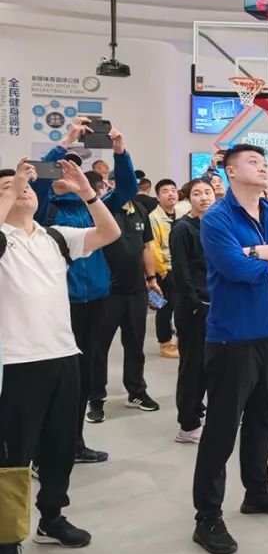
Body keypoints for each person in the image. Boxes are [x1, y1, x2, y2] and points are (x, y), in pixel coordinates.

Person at [0, 159, 121, 554]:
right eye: (7, 188)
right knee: (13, 457)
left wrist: (88, 192)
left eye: (24, 185)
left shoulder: (54, 236)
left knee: (59, 447)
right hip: (14, 364)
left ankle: (51, 518)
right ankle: (6, 538)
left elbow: (109, 232)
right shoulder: (3, 240)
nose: (21, 189)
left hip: (63, 356)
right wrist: (13, 184)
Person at [191, 144, 268, 554]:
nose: (262, 167)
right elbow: (234, 268)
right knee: (222, 429)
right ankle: (207, 517)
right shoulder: (218, 218)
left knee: (262, 419)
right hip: (233, 339)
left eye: (263, 161)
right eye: (253, 162)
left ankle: (257, 490)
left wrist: (259, 253)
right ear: (230, 171)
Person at [30, 116, 136, 464]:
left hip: (98, 301)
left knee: (83, 377)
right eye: (61, 168)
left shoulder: (94, 209)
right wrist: (65, 142)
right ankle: (43, 450)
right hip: (60, 306)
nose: (67, 172)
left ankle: (74, 443)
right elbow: (36, 179)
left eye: (74, 167)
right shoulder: (43, 209)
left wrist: (120, 150)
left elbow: (127, 190)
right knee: (54, 380)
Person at [91, 180, 161, 421]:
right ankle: (95, 398)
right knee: (99, 347)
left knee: (135, 344)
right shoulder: (102, 209)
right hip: (106, 292)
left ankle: (136, 391)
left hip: (136, 291)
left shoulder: (140, 209)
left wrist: (151, 278)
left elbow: (146, 247)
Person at [169, 179, 215, 444]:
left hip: (214, 304)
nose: (203, 197)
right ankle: (187, 424)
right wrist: (196, 304)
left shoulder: (214, 225)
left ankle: (197, 411)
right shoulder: (182, 228)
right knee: (192, 366)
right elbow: (181, 273)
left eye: (207, 192)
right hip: (194, 309)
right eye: (197, 193)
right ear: (188, 198)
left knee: (208, 365)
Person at [149, 179, 191, 359]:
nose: (171, 194)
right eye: (165, 191)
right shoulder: (154, 217)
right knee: (164, 307)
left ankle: (181, 340)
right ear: (158, 197)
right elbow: (153, 247)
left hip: (181, 267)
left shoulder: (181, 213)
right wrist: (163, 271)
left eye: (173, 190)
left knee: (182, 305)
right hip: (165, 271)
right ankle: (165, 343)